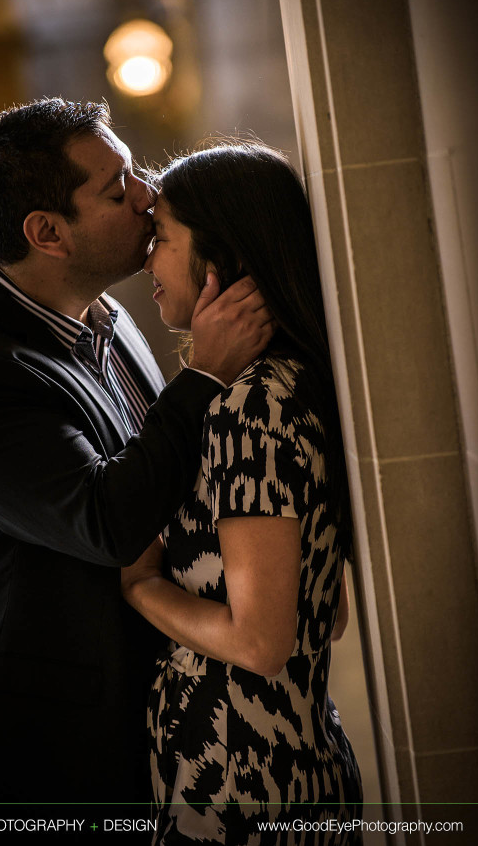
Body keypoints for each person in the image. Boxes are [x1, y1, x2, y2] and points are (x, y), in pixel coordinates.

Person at [0, 99, 274, 841]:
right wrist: (202, 377)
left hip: (124, 713)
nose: (148, 192)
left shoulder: (104, 312)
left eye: (133, 169)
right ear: (47, 234)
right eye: (116, 189)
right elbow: (108, 521)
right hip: (30, 751)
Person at [122, 141, 363, 844]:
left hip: (236, 782)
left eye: (161, 239)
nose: (147, 261)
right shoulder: (288, 385)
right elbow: (328, 613)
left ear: (217, 259)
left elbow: (259, 643)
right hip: (285, 760)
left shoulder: (249, 408)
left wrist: (140, 586)